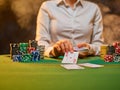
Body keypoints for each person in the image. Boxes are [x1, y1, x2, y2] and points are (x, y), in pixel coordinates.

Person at [35, 0, 104, 58]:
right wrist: (53, 51)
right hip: (56, 61)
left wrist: (89, 49)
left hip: (85, 61)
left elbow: (99, 45)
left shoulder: (94, 8)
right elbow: (41, 42)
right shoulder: (47, 6)